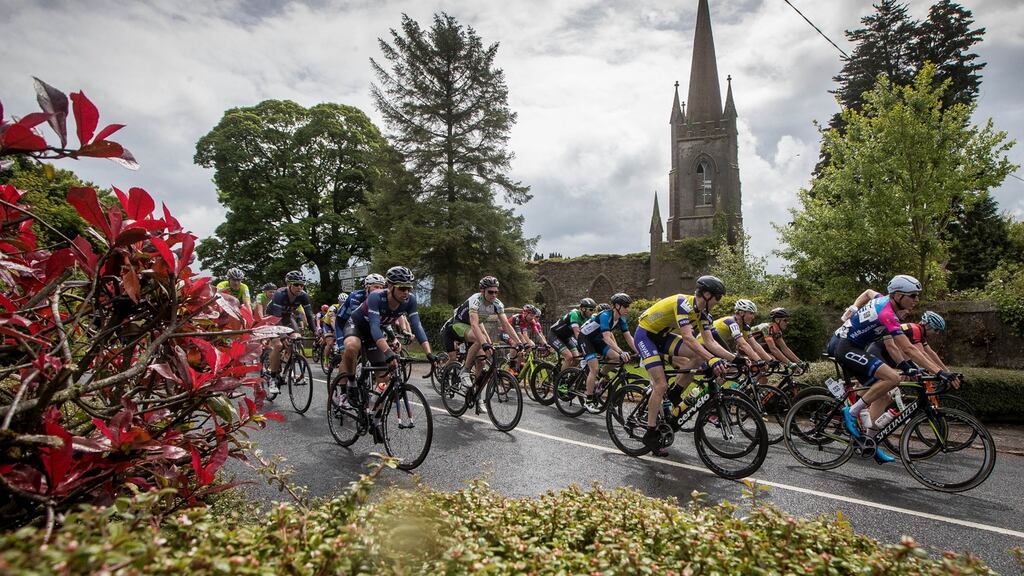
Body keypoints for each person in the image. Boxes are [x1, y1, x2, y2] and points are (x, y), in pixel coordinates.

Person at [829, 275, 952, 463]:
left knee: (884, 397)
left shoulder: (884, 301)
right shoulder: (886, 313)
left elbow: (868, 292)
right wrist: (940, 372)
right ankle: (851, 412)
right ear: (898, 295)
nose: (916, 300)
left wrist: (907, 366)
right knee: (893, 378)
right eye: (912, 295)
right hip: (844, 346)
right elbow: (909, 349)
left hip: (856, 347)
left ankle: (869, 441)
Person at [634, 276, 735, 456]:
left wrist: (735, 359)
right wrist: (712, 359)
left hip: (663, 337)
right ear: (706, 295)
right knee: (660, 385)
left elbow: (710, 342)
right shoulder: (683, 303)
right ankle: (650, 433)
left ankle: (675, 392)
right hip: (645, 336)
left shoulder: (703, 313)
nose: (719, 302)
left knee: (699, 356)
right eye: (718, 297)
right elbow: (688, 338)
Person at [337, 266, 435, 405]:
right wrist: (388, 352)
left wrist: (429, 354)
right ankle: (351, 383)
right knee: (352, 347)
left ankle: (374, 412)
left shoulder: (410, 300)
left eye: (409, 288)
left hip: (374, 332)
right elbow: (375, 326)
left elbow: (417, 326)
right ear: (390, 286)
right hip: (357, 326)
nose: (406, 293)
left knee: (383, 379)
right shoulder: (376, 296)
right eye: (402, 288)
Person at [441, 276, 524, 392]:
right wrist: (484, 343)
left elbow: (506, 325)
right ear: (482, 291)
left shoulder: (497, 304)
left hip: (471, 329)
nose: (493, 295)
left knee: (481, 361)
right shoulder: (476, 300)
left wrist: (519, 342)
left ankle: (475, 393)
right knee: (478, 340)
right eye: (490, 292)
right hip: (458, 325)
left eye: (496, 292)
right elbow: (475, 325)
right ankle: (465, 371)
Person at [578, 293, 638, 410]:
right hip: (586, 339)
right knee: (594, 368)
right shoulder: (605, 315)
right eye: (626, 306)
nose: (628, 309)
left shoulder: (621, 319)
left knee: (616, 358)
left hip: (598, 340)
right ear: (617, 306)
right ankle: (588, 401)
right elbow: (606, 338)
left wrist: (640, 352)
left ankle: (599, 377)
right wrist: (621, 351)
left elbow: (629, 338)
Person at [264, 271, 316, 395]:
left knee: (296, 338)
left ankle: (286, 367)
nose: (300, 287)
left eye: (302, 285)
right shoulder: (279, 294)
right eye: (296, 284)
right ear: (289, 284)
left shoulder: (303, 296)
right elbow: (277, 318)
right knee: (278, 345)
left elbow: (309, 315)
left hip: (287, 318)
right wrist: (282, 336)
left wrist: (316, 332)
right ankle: (272, 378)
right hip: (272, 318)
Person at [866, 310, 952, 373]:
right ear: (927, 325)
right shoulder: (915, 330)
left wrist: (946, 370)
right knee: (887, 380)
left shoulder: (919, 332)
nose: (937, 333)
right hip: (878, 352)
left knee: (910, 374)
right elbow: (922, 354)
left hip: (891, 354)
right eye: (936, 330)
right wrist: (939, 371)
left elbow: (931, 353)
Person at [335, 274, 386, 344]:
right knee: (347, 346)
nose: (379, 290)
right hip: (342, 321)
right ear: (367, 287)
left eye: (381, 288)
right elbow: (356, 317)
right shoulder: (356, 295)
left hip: (359, 321)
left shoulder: (380, 299)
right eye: (376, 287)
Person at [548, 298, 597, 371]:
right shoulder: (574, 314)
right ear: (583, 309)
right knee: (569, 357)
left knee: (577, 358)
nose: (592, 312)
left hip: (566, 338)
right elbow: (577, 334)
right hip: (554, 335)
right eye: (591, 310)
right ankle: (561, 377)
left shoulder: (587, 318)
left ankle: (569, 374)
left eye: (594, 310)